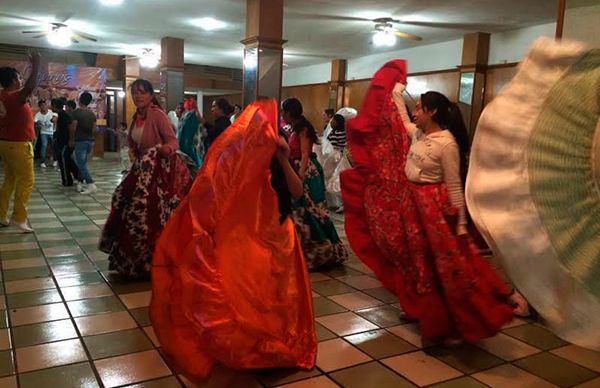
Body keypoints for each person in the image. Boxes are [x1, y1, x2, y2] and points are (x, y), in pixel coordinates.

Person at [341, 60, 522, 345]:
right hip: (413, 208)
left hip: (434, 213)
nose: (415, 112)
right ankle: (421, 310)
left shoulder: (446, 143)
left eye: (419, 108)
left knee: (440, 268)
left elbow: (453, 186)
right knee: (417, 262)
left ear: (432, 112)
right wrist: (396, 93)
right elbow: (401, 120)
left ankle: (448, 321)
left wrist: (461, 223)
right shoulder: (420, 134)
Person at [150, 99, 316, 383]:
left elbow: (297, 190)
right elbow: (214, 194)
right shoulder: (237, 163)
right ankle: (255, 345)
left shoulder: (277, 159)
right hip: (249, 241)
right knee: (247, 292)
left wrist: (282, 158)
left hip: (280, 237)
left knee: (279, 295)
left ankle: (272, 343)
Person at [100, 79, 193, 279]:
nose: (138, 96)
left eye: (142, 92)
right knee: (123, 199)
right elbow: (134, 141)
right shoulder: (136, 117)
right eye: (135, 93)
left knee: (146, 213)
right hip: (142, 169)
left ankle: (152, 261)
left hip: (159, 171)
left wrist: (162, 149)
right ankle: (135, 261)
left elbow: (172, 141)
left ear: (151, 95)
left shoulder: (157, 115)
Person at [281, 97, 348, 270]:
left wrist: (300, 176)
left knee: (311, 210)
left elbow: (304, 154)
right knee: (300, 211)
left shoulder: (303, 128)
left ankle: (319, 251)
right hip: (297, 169)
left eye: (283, 111)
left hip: (306, 171)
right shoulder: (294, 128)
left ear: (289, 112)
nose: (282, 114)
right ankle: (303, 250)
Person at [0, 50, 40, 233]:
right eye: (18, 78)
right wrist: (36, 65)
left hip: (6, 144)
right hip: (18, 144)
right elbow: (30, 87)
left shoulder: (2, 96)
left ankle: (1, 215)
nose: (21, 81)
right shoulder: (13, 97)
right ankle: (19, 218)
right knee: (26, 181)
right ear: (13, 81)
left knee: (9, 180)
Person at [321, 109, 357, 212]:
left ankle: (342, 202)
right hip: (339, 155)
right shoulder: (344, 133)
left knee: (334, 178)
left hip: (335, 156)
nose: (332, 122)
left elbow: (333, 144)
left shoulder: (338, 133)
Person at [70, 92, 97, 194]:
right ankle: (80, 182)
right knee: (81, 162)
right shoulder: (92, 114)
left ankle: (90, 183)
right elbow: (94, 129)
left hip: (80, 141)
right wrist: (92, 139)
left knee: (80, 163)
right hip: (89, 141)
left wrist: (71, 139)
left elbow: (73, 127)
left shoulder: (76, 113)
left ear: (80, 100)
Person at [51, 98, 80, 187]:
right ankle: (78, 175)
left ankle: (67, 181)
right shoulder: (62, 114)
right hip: (62, 142)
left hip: (64, 143)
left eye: (52, 105)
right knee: (68, 160)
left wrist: (69, 141)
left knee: (63, 162)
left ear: (55, 106)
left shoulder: (63, 115)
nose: (51, 107)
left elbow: (69, 129)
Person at [178, 98, 202, 168]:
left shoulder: (189, 116)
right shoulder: (193, 115)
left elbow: (184, 134)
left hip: (186, 146)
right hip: (191, 145)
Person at [34, 99, 54, 168]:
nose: (43, 106)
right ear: (39, 107)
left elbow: (56, 119)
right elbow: (35, 122)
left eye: (44, 105)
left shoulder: (51, 112)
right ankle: (42, 162)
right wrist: (38, 123)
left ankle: (55, 160)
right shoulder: (38, 114)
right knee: (44, 145)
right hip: (43, 132)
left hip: (52, 131)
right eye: (41, 105)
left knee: (54, 145)